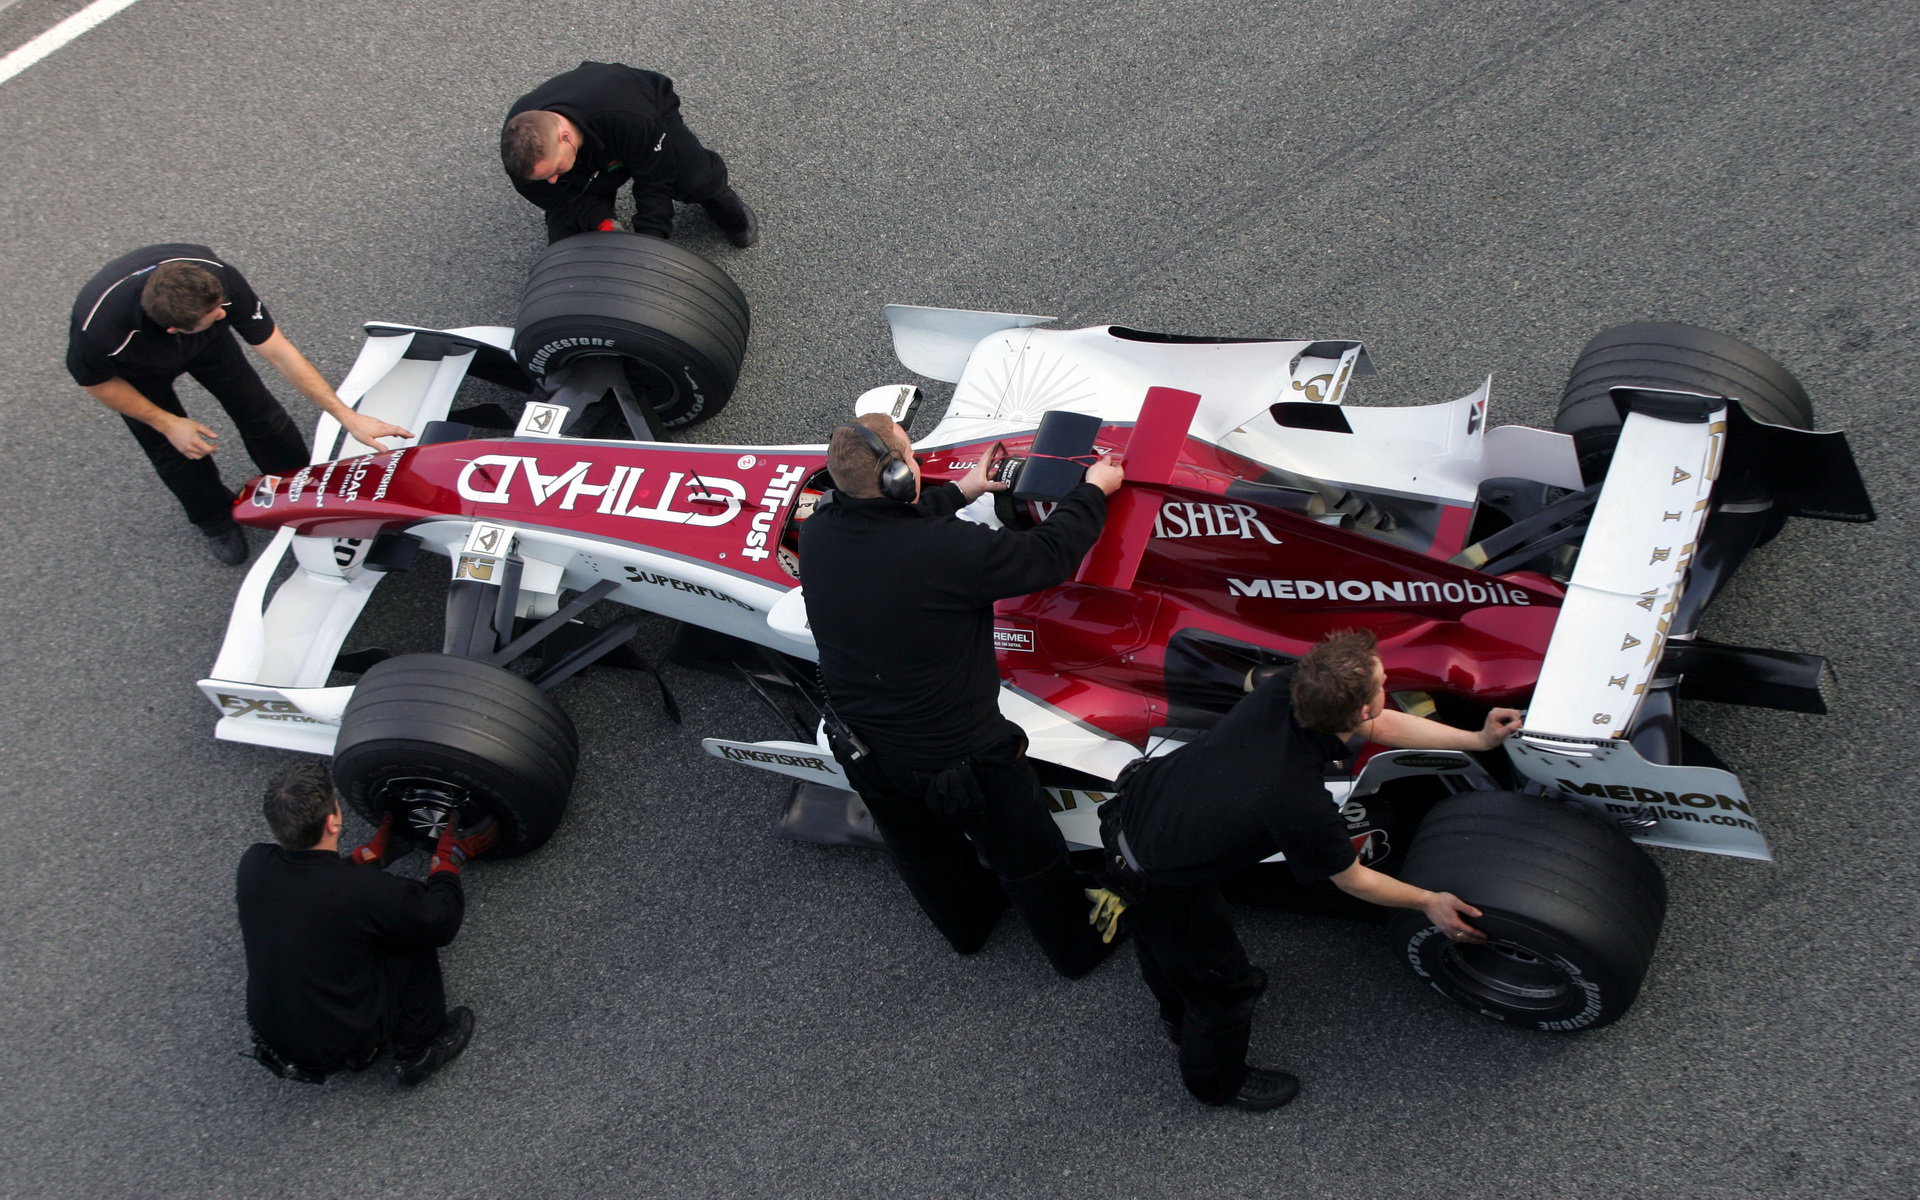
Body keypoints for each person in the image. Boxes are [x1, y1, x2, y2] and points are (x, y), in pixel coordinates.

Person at [1097, 630, 1523, 1111]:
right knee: (1224, 990)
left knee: (1166, 942)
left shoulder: (1291, 687)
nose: (1388, 680)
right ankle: (1216, 1083)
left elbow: (1380, 726)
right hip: (1156, 872)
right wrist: (1429, 901)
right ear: (1360, 708)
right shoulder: (1294, 799)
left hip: (1138, 815)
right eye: (1383, 682)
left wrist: (1480, 740)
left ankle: (1178, 1013)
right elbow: (1353, 880)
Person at [800, 415, 1124, 977]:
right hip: (963, 762)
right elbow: (1050, 554)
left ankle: (969, 928)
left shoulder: (823, 529)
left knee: (925, 855)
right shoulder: (947, 551)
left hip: (865, 749)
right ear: (901, 475)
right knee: (1032, 860)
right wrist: (1095, 490)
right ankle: (1077, 950)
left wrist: (960, 492)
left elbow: (886, 530)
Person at [66, 244, 413, 565]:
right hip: (136, 370)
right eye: (215, 313)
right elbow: (97, 385)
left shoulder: (216, 280)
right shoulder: (100, 334)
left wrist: (346, 416)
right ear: (174, 329)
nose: (224, 312)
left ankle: (300, 492)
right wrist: (167, 422)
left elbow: (281, 353)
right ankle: (214, 518)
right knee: (175, 450)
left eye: (220, 306)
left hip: (207, 344)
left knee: (262, 414)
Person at [236, 761, 490, 1086]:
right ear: (333, 821)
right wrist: (448, 861)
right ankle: (419, 1051)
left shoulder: (254, 863)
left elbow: (314, 892)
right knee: (407, 931)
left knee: (345, 926)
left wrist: (364, 860)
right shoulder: (363, 894)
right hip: (335, 1044)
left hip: (272, 1032)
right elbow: (439, 919)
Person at [500, 62, 758, 247]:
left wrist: (649, 245)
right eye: (545, 176)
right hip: (589, 151)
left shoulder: (629, 118)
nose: (553, 181)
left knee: (695, 178)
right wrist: (602, 222)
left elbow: (656, 181)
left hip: (647, 112)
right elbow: (559, 200)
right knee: (565, 243)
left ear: (565, 137)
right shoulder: (521, 154)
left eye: (555, 171)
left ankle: (723, 204)